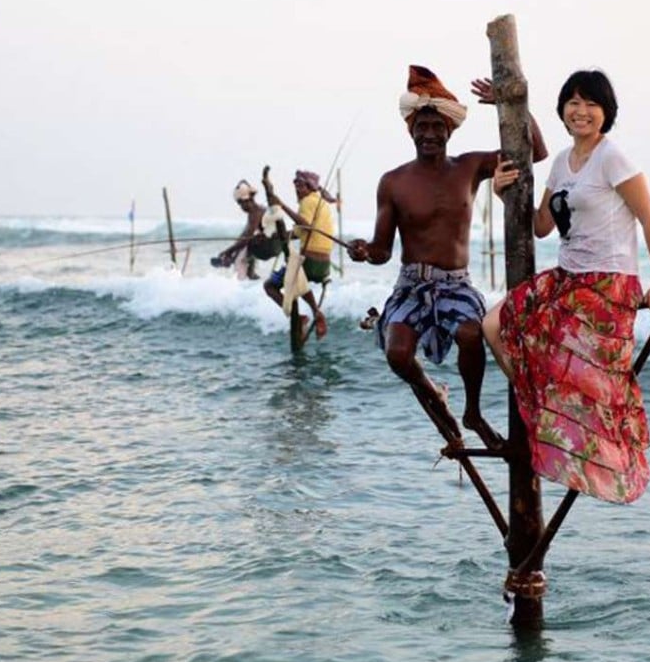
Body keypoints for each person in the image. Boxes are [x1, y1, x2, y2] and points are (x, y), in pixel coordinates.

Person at [483, 69, 650, 504]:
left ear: (606, 112)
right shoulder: (560, 162)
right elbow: (541, 227)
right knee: (493, 325)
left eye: (591, 103)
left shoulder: (613, 158)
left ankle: (576, 441)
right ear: (563, 110)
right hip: (566, 277)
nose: (581, 111)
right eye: (573, 102)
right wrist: (501, 192)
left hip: (607, 281)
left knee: (572, 367)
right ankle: (543, 412)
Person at [347, 65, 547, 451]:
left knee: (470, 333)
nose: (429, 134)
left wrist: (509, 105)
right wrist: (364, 251)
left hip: (455, 283)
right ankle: (433, 394)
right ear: (411, 131)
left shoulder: (469, 167)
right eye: (421, 127)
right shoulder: (393, 181)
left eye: (437, 127)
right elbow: (381, 250)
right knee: (397, 354)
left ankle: (473, 413)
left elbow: (534, 152)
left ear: (449, 131)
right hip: (411, 284)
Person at [263, 168, 336, 340]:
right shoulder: (320, 203)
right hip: (323, 266)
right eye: (295, 186)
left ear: (310, 187)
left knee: (270, 286)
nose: (297, 189)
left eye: (301, 186)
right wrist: (273, 236)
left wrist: (281, 205)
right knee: (298, 279)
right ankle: (315, 313)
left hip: (309, 261)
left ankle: (303, 316)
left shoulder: (307, 202)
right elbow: (298, 232)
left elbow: (306, 225)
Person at [210, 179, 286, 280]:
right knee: (247, 238)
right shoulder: (257, 210)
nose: (241, 208)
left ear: (247, 200)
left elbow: (247, 238)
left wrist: (228, 251)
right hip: (275, 246)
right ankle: (236, 264)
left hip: (271, 247)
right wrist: (231, 250)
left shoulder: (255, 213)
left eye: (241, 204)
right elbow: (245, 234)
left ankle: (236, 266)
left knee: (248, 241)